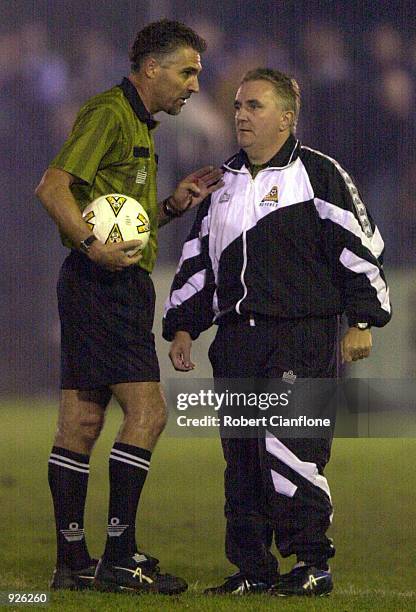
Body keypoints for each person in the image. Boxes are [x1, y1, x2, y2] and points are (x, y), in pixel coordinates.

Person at [163, 68, 391, 596]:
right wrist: (182, 327)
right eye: (239, 105)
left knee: (293, 447)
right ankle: (251, 569)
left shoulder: (319, 174)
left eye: (256, 106)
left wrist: (361, 320)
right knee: (241, 456)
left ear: (287, 117)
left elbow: (363, 248)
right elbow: (199, 261)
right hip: (237, 341)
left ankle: (312, 564)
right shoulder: (220, 182)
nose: (241, 114)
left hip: (303, 336)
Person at [35, 19, 223, 596]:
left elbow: (123, 219)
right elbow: (53, 186)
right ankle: (120, 556)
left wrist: (170, 205)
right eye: (187, 71)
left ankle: (73, 563)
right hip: (105, 285)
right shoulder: (109, 113)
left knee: (83, 420)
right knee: (149, 414)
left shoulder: (137, 124)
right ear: (152, 69)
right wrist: (93, 248)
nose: (194, 84)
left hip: (102, 281)